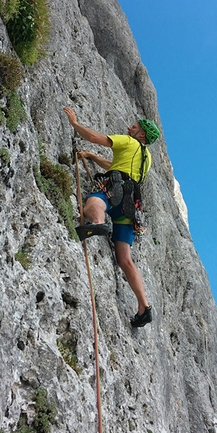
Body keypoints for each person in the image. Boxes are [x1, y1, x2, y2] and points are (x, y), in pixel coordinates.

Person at [63, 106, 160, 327]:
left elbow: (96, 137)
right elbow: (117, 165)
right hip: (131, 203)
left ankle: (97, 224)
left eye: (134, 127)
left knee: (94, 202)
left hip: (114, 187)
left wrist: (75, 123)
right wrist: (93, 157)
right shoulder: (146, 159)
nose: (129, 127)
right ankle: (144, 306)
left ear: (141, 134)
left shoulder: (128, 142)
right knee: (125, 259)